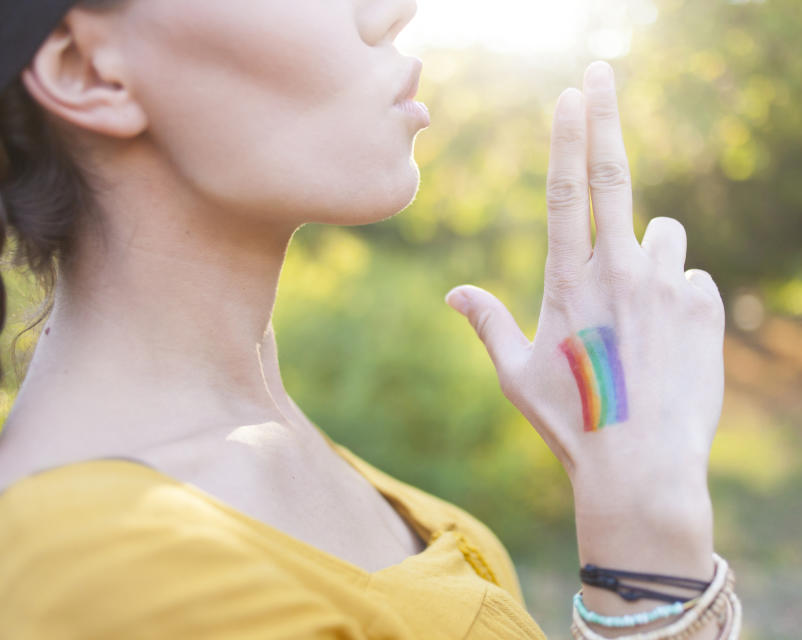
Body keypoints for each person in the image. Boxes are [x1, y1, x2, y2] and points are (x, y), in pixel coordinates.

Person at [0, 0, 740, 638]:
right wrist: (646, 541)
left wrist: (623, 464)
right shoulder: (101, 570)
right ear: (88, 72)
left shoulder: (264, 437)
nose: (392, 11)